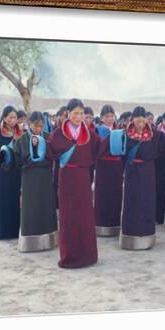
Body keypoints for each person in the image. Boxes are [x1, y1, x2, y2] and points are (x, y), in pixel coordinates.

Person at [47, 98, 100, 268]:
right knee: (68, 217)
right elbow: (49, 150)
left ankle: (88, 255)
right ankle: (69, 256)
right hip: (67, 178)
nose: (78, 117)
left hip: (83, 178)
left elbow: (100, 149)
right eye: (75, 113)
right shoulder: (58, 133)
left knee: (84, 216)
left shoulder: (90, 134)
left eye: (81, 113)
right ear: (68, 114)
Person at [108, 106, 161, 250]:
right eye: (138, 118)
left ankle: (147, 235)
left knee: (147, 201)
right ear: (133, 119)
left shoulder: (154, 135)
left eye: (143, 118)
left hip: (148, 172)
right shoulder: (125, 134)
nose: (141, 121)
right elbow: (121, 154)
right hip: (132, 172)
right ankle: (130, 235)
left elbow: (157, 152)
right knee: (132, 201)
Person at [11, 111, 58, 252]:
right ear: (29, 124)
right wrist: (28, 161)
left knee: (45, 206)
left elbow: (53, 156)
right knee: (30, 207)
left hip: (44, 177)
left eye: (41, 126)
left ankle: (48, 240)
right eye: (36, 126)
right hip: (29, 178)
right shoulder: (21, 140)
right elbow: (16, 160)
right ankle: (29, 242)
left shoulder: (47, 137)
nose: (38, 129)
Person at [0, 105, 23, 240]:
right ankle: (2, 231)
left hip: (16, 171)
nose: (13, 120)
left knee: (14, 198)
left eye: (15, 117)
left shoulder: (20, 133)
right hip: (2, 171)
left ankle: (14, 230)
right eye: (11, 117)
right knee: (3, 198)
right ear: (5, 118)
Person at [94, 104, 123, 237]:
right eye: (107, 116)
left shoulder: (119, 130)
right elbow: (97, 149)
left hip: (116, 168)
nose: (110, 119)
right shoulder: (97, 130)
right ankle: (102, 224)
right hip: (103, 167)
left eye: (112, 116)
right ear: (102, 118)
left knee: (115, 194)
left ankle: (115, 223)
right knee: (103, 195)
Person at [154, 111, 165, 224]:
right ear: (163, 120)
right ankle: (155, 216)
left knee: (162, 189)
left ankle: (160, 217)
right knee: (156, 189)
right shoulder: (157, 131)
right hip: (156, 164)